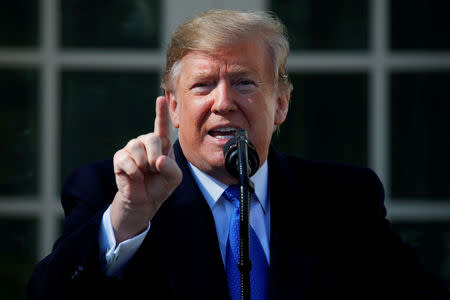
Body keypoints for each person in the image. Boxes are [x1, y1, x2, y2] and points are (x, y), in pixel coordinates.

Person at [27, 10, 448, 300]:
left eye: (245, 83)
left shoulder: (343, 197)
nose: (223, 102)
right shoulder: (108, 191)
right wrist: (127, 219)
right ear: (173, 106)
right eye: (202, 85)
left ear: (280, 103)